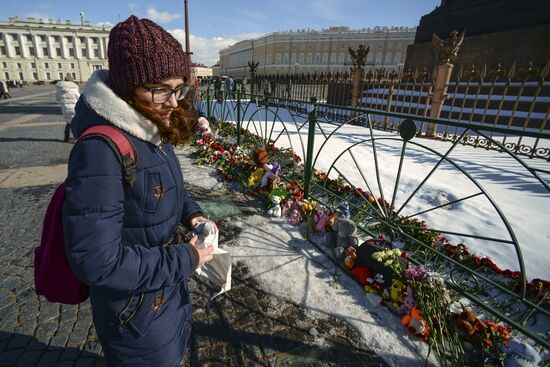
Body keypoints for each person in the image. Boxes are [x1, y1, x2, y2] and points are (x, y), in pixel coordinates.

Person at [61, 15, 215, 366]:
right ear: (128, 87)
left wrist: (193, 214)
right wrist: (186, 258)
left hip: (163, 297)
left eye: (179, 88)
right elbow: (96, 261)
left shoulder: (150, 129)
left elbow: (166, 190)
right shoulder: (101, 149)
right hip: (134, 313)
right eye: (160, 88)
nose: (174, 101)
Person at [55, 74, 80, 142]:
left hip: (65, 108)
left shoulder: (59, 89)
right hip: (74, 108)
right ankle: (76, 137)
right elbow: (79, 98)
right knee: (75, 123)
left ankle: (66, 138)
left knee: (68, 122)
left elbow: (57, 99)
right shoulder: (74, 89)